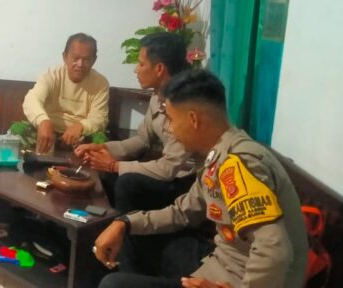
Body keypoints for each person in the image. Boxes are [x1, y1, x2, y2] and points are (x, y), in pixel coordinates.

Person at [94, 69, 308, 288]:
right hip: (218, 265)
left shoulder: (237, 164)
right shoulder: (218, 154)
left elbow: (274, 251)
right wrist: (125, 223)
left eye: (172, 120)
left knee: (113, 285)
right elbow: (182, 212)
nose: (171, 130)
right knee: (132, 234)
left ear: (193, 119)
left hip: (242, 281)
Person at [75, 32, 199, 213]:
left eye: (141, 64)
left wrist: (114, 165)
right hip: (168, 175)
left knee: (127, 183)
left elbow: (168, 168)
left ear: (159, 69)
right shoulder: (158, 96)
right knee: (106, 172)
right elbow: (142, 140)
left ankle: (126, 227)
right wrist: (102, 149)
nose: (136, 70)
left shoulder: (186, 104)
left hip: (188, 184)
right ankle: (108, 222)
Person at [22, 33, 109, 154]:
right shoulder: (52, 75)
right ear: (65, 57)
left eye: (86, 59)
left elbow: (99, 118)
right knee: (18, 131)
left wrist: (81, 126)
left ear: (94, 60)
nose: (80, 64)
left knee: (100, 141)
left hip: (81, 137)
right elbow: (31, 100)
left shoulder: (100, 83)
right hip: (47, 132)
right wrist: (43, 121)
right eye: (75, 58)